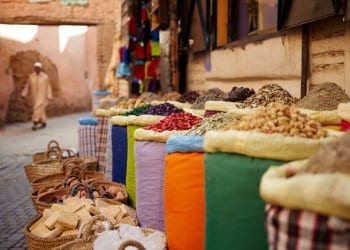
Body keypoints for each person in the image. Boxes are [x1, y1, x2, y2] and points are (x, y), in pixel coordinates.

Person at [22, 62, 53, 130]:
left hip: (43, 95)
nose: (37, 69)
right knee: (40, 109)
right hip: (34, 95)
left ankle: (35, 122)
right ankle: (43, 122)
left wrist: (49, 95)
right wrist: (24, 94)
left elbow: (48, 86)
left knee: (37, 108)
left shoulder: (45, 76)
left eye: (38, 68)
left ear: (40, 68)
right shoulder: (31, 76)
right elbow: (28, 85)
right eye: (35, 68)